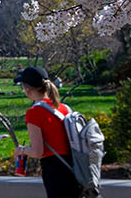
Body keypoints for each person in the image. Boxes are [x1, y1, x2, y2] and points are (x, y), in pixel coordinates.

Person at [12, 66, 80, 198]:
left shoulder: (34, 112)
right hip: (74, 168)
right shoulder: (64, 108)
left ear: (27, 89)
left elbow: (38, 152)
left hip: (55, 171)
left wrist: (21, 150)